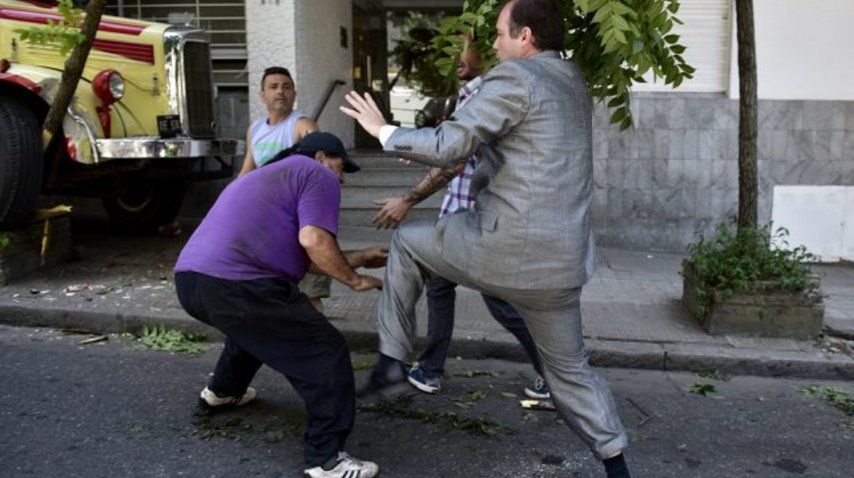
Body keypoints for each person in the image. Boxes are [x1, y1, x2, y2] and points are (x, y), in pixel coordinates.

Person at [341, 1, 632, 477]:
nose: (494, 44)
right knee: (571, 374)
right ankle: (617, 466)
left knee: (409, 242)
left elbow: (449, 145)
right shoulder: (572, 79)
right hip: (562, 266)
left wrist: (383, 131)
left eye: (499, 33)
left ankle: (392, 362)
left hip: (504, 248)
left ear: (526, 36)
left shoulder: (515, 77)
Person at [174, 132, 384, 478]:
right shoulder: (316, 173)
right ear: (321, 157)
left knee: (257, 326)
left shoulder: (265, 176)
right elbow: (314, 239)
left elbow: (306, 257)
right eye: (341, 166)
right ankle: (326, 459)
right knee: (324, 350)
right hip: (239, 285)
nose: (342, 178)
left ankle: (224, 391)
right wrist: (355, 280)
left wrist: (358, 257)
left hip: (192, 283)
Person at [372, 38, 550, 399]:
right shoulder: (480, 93)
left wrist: (407, 199)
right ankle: (431, 368)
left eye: (464, 48)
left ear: (484, 53)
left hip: (475, 219)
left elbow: (452, 162)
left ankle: (556, 374)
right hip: (461, 215)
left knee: (500, 302)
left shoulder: (483, 94)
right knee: (440, 287)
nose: (455, 57)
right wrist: (422, 150)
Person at [239, 66, 330, 313]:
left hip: (301, 219)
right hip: (268, 219)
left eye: (287, 87)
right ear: (262, 95)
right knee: (273, 286)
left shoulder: (302, 125)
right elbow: (247, 171)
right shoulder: (255, 129)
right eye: (274, 87)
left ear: (294, 94)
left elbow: (322, 166)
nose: (281, 91)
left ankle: (316, 333)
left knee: (310, 292)